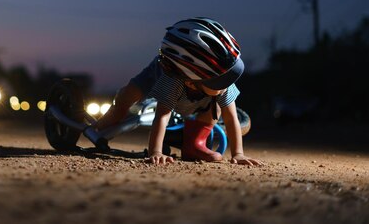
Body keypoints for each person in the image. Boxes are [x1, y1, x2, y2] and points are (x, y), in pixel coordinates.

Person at [95, 17, 262, 166]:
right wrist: (156, 152)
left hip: (194, 94)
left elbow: (231, 117)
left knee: (218, 106)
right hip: (156, 76)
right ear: (190, 81)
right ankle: (112, 116)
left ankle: (194, 144)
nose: (225, 85)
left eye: (226, 78)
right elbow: (162, 116)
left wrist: (238, 154)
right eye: (219, 82)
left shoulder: (221, 79)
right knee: (128, 96)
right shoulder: (173, 82)